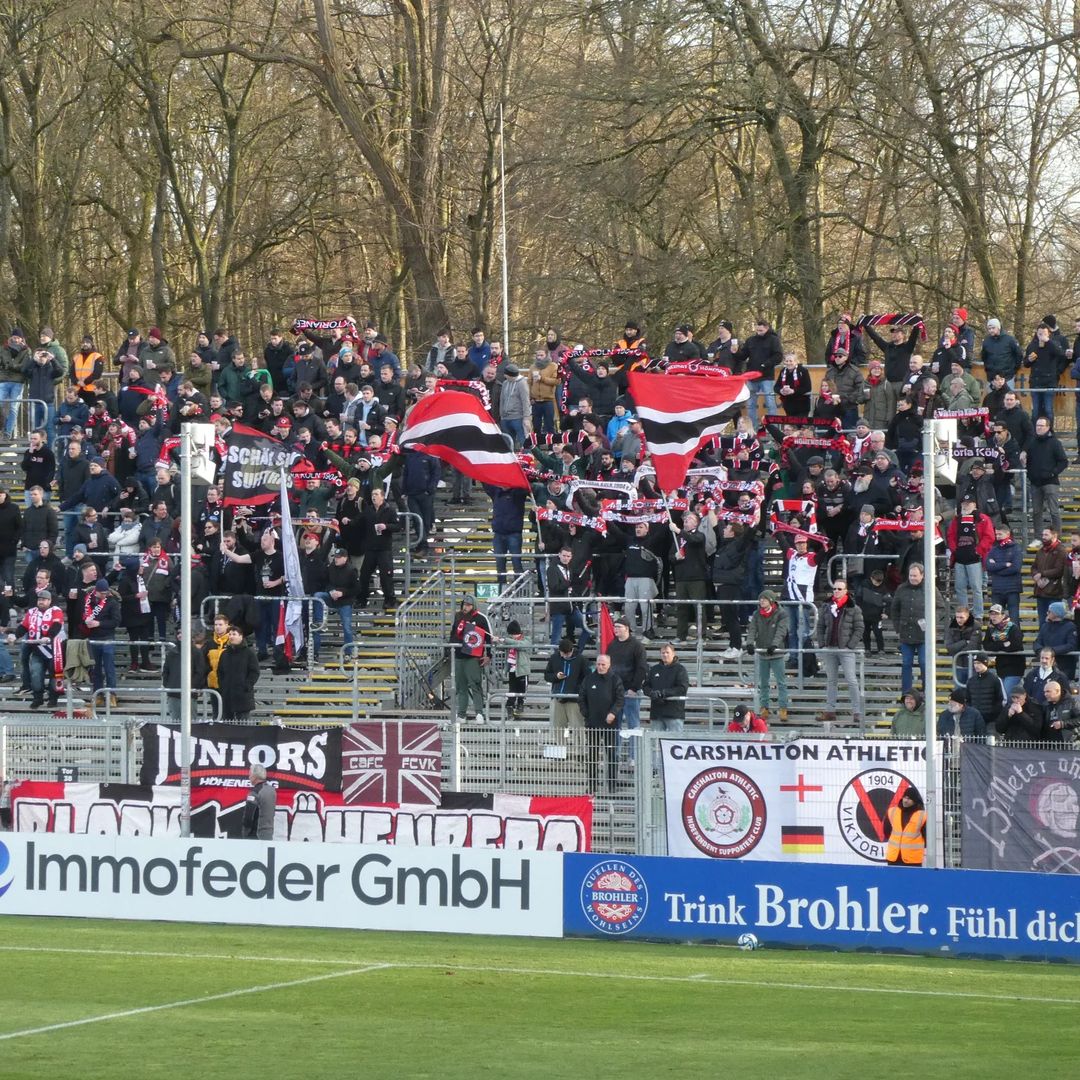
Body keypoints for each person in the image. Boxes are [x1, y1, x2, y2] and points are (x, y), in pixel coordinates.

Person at [816, 579, 864, 725]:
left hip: (845, 649)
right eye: (835, 588)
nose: (836, 591)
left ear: (845, 591)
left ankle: (857, 711)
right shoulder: (826, 606)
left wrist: (850, 645)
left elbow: (859, 628)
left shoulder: (853, 608)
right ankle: (830, 710)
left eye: (839, 589)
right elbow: (820, 626)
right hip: (830, 648)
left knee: (851, 680)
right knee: (831, 681)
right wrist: (822, 644)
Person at [577, 653, 624, 791]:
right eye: (598, 664)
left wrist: (613, 713)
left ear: (609, 665)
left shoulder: (615, 679)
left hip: (610, 725)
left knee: (611, 755)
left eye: (603, 664)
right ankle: (592, 785)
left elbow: (620, 699)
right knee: (592, 756)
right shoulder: (589, 679)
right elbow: (581, 698)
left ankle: (612, 785)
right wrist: (586, 714)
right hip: (592, 724)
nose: (601, 667)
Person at [745, 589, 789, 721]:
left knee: (781, 682)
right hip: (762, 652)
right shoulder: (757, 614)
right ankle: (764, 707)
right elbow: (752, 629)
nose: (761, 601)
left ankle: (783, 708)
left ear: (771, 600)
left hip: (776, 653)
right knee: (763, 682)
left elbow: (781, 631)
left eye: (764, 599)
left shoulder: (782, 614)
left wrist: (774, 645)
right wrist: (749, 643)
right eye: (760, 599)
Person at [607, 618, 648, 758]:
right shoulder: (612, 645)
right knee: (614, 725)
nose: (615, 629)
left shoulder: (637, 646)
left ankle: (634, 756)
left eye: (618, 626)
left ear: (626, 628)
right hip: (615, 691)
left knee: (633, 724)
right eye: (614, 627)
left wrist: (634, 688)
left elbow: (642, 668)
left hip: (630, 691)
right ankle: (615, 756)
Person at [1022, 416, 1068, 541]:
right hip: (1035, 483)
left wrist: (1053, 473)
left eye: (1042, 426)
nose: (1039, 428)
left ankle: (1056, 537)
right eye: (1037, 425)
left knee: (1054, 511)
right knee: (1036, 512)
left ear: (1048, 427)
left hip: (1050, 482)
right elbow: (1027, 459)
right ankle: (1038, 538)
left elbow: (1063, 461)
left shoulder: (1054, 442)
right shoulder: (1032, 442)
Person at [450, 595, 490, 723]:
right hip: (459, 656)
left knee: (475, 685)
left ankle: (479, 713)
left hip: (473, 657)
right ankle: (462, 714)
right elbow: (453, 634)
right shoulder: (458, 617)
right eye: (464, 604)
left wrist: (488, 654)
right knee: (461, 686)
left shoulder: (481, 618)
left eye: (468, 605)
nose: (465, 607)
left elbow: (488, 638)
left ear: (473, 606)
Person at [891, 563, 928, 694]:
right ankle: (906, 692)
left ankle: (926, 690)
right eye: (910, 575)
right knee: (906, 663)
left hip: (924, 635)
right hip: (906, 633)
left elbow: (940, 607)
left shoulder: (929, 588)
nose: (912, 578)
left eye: (915, 575)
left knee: (924, 663)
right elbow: (894, 609)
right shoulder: (901, 589)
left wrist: (930, 621)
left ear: (922, 575)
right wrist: (898, 626)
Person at [217, 624, 260, 722]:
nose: (231, 636)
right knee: (227, 724)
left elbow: (255, 672)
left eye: (234, 634)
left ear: (241, 636)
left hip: (243, 695)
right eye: (230, 634)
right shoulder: (224, 654)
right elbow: (220, 672)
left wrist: (247, 685)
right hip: (227, 694)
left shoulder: (249, 653)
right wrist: (222, 686)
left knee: (243, 724)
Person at [645, 642, 689, 732]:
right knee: (655, 742)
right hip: (656, 712)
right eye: (663, 653)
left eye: (667, 652)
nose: (665, 655)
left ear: (673, 653)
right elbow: (646, 686)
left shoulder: (680, 669)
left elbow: (682, 688)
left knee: (675, 741)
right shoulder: (654, 669)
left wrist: (664, 693)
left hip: (674, 713)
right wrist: (651, 693)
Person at [544, 637, 586, 734]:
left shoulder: (581, 659)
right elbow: (547, 675)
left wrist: (578, 690)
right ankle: (560, 749)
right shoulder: (554, 657)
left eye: (567, 653)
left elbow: (587, 678)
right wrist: (556, 676)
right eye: (562, 653)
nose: (564, 656)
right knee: (558, 730)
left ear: (572, 650)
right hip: (558, 699)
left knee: (578, 730)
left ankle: (579, 749)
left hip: (574, 701)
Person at [884, 785, 927, 866]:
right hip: (894, 858)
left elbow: (927, 837)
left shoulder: (922, 815)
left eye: (909, 798)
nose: (905, 800)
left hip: (912, 860)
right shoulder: (892, 811)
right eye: (905, 797)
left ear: (915, 801)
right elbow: (886, 831)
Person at [1039, 678, 1080, 743]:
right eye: (1044, 692)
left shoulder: (1072, 702)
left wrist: (1063, 724)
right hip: (1049, 743)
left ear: (1057, 691)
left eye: (1048, 691)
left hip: (1068, 742)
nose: (1045, 694)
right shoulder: (1045, 704)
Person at [242, 764, 276, 840]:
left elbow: (248, 816)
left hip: (256, 836)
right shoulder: (272, 790)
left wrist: (245, 833)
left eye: (250, 774)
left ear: (255, 776)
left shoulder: (254, 792)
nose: (249, 777)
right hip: (269, 834)